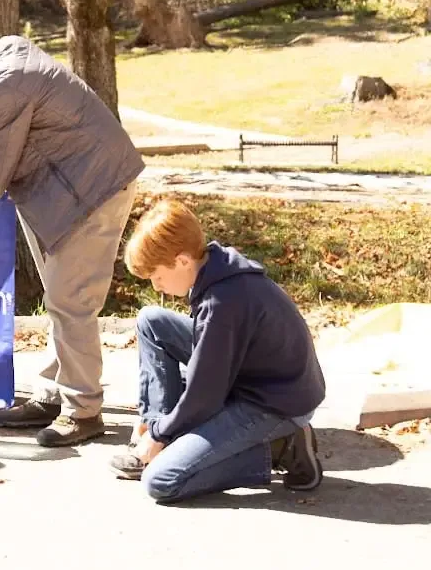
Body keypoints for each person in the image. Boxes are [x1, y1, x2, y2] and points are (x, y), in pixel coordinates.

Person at [0, 20, 145, 447]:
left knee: (70, 303)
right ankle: (55, 395)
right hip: (66, 191)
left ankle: (83, 411)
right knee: (61, 299)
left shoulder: (6, 86)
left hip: (93, 189)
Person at [109, 199, 326, 502]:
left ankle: (281, 449)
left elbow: (204, 396)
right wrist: (155, 425)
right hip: (252, 379)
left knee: (161, 481)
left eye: (157, 276)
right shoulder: (216, 267)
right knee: (151, 321)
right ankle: (155, 435)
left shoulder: (222, 304)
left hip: (275, 404)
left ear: (182, 260)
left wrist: (162, 435)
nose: (157, 286)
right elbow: (208, 374)